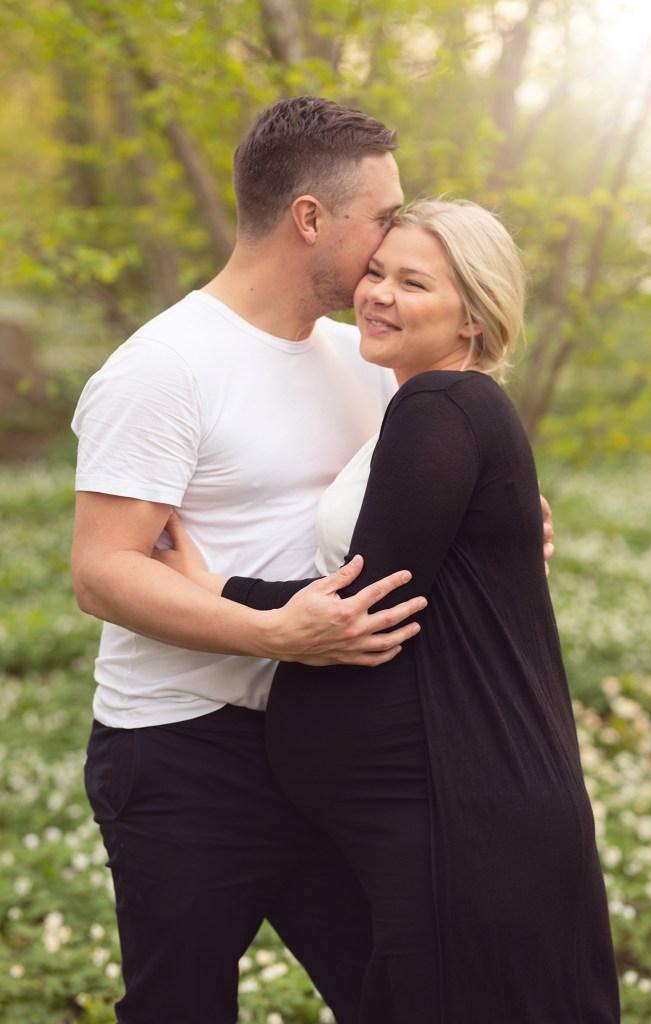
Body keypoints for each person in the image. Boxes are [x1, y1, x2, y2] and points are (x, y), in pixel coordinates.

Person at [158, 199, 619, 1022]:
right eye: (375, 271)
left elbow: (368, 600)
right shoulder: (428, 403)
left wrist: (210, 585)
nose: (378, 294)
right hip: (441, 810)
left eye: (413, 283)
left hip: (457, 813)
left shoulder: (438, 404)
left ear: (472, 316)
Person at [70, 96, 429, 1024]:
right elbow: (102, 572)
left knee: (398, 995)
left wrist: (507, 525)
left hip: (326, 741)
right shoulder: (164, 367)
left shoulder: (364, 358)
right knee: (180, 1008)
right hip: (179, 750)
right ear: (310, 217)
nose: (397, 239)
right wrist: (276, 633)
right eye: (383, 218)